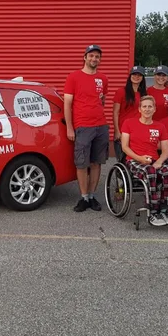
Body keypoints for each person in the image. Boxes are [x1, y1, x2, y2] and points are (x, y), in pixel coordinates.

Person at [63, 44, 110, 212]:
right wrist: (70, 127)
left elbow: (102, 100)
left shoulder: (103, 78)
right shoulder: (73, 77)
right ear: (85, 57)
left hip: (101, 126)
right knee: (82, 164)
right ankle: (83, 197)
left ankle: (92, 196)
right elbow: (67, 104)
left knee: (97, 163)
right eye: (91, 56)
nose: (94, 59)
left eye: (97, 56)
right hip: (82, 126)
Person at [120, 95, 168, 227]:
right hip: (134, 159)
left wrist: (159, 162)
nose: (147, 109)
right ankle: (153, 211)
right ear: (139, 109)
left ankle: (165, 209)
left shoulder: (160, 126)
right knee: (150, 172)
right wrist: (139, 158)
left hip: (154, 160)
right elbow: (125, 147)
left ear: (155, 109)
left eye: (150, 106)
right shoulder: (129, 123)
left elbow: (166, 151)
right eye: (144, 106)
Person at [113, 66, 147, 159]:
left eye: (139, 75)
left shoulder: (143, 94)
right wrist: (117, 131)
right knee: (123, 159)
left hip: (139, 130)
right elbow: (115, 112)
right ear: (130, 76)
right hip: (124, 130)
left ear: (142, 78)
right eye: (134, 74)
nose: (136, 77)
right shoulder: (121, 92)